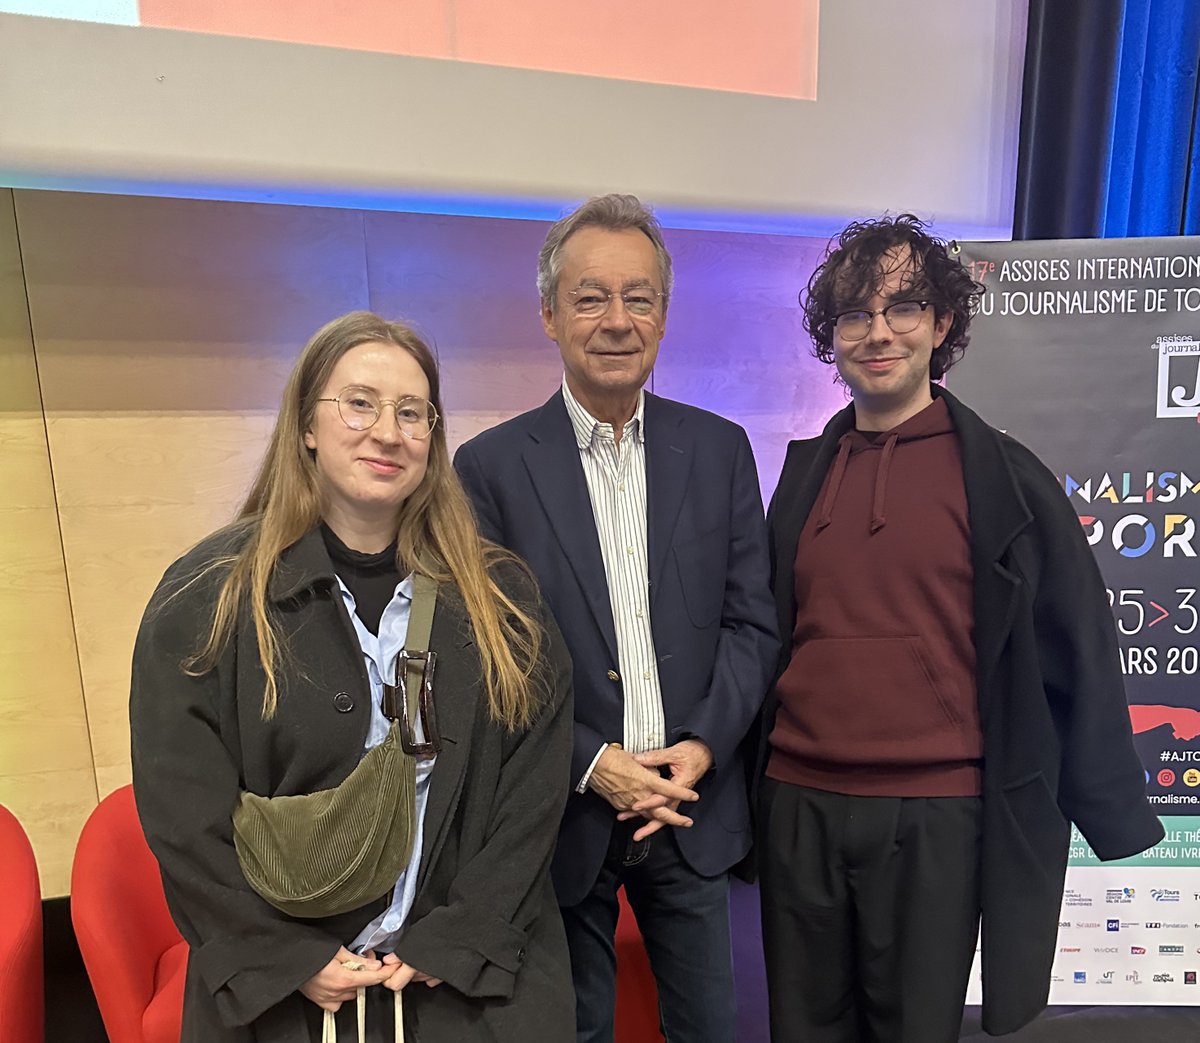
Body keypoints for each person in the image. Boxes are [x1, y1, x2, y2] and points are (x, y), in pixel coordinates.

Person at [757, 214, 1164, 1041]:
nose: (879, 333)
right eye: (855, 315)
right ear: (830, 338)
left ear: (942, 325)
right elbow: (768, 639)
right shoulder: (803, 475)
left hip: (938, 813)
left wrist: (1115, 811)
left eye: (903, 308)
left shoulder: (1006, 479)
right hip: (798, 803)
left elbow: (1075, 639)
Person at [130, 311, 575, 1042]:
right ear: (307, 424)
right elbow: (184, 814)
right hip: (290, 1000)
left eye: (412, 412)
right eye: (360, 403)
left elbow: (534, 793)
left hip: (462, 990)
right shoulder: (206, 597)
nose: (388, 431)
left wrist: (458, 937)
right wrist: (284, 954)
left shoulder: (503, 598)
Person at [454, 194, 778, 1043]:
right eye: (591, 297)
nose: (616, 319)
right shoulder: (489, 469)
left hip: (690, 804)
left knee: (712, 1027)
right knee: (577, 1029)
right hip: (564, 812)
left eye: (639, 297)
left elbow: (753, 625)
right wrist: (592, 762)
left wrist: (702, 746)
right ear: (551, 316)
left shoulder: (720, 449)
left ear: (664, 316)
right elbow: (493, 658)